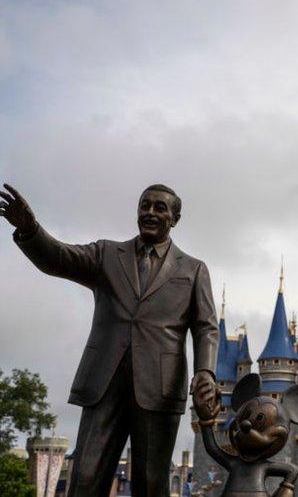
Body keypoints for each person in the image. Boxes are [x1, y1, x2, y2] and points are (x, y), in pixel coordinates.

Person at [0, 182, 219, 497]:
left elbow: (206, 326)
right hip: (104, 384)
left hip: (160, 387)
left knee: (151, 483)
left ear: (175, 218)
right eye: (145, 205)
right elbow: (58, 258)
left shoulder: (194, 270)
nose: (150, 212)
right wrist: (30, 229)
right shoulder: (107, 254)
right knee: (86, 479)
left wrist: (206, 372)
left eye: (160, 207)